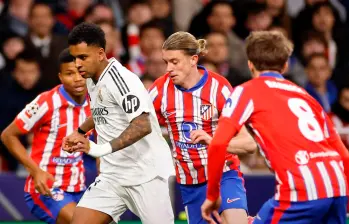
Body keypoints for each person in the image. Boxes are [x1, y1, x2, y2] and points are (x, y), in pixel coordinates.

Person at [201, 30, 349, 224]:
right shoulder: (305, 95)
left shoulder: (246, 92)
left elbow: (218, 144)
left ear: (250, 64)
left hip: (300, 189)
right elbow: (344, 155)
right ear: (286, 65)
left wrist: (212, 197)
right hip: (337, 185)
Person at [62, 22, 175, 224]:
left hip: (145, 174)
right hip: (112, 176)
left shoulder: (121, 79)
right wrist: (80, 131)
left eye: (83, 57)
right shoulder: (91, 78)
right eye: (75, 58)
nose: (77, 64)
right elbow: (103, 112)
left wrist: (100, 149)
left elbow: (143, 124)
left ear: (100, 53)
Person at [149, 31, 258, 224]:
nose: (168, 68)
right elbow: (140, 126)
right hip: (189, 183)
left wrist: (214, 141)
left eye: (175, 62)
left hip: (224, 173)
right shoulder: (159, 90)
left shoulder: (220, 88)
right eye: (166, 62)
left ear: (193, 59)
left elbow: (249, 144)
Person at [0, 48, 90, 224]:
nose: (78, 78)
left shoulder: (95, 103)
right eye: (70, 73)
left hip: (79, 187)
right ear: (60, 77)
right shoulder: (46, 102)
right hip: (47, 187)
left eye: (81, 72)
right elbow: (7, 135)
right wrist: (35, 171)